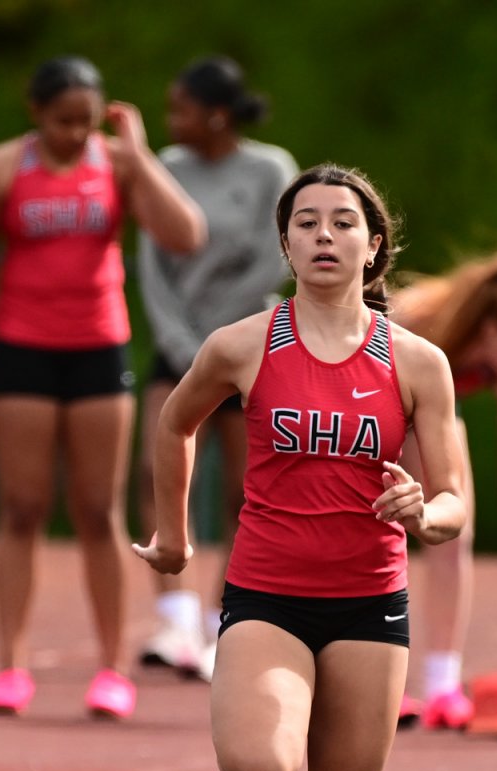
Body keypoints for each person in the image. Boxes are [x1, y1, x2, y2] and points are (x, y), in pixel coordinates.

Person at [136, 164, 468, 771]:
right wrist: (173, 538)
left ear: (374, 244)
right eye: (307, 223)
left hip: (369, 605)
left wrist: (423, 511)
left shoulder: (417, 363)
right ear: (284, 245)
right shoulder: (243, 345)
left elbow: (457, 498)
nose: (325, 236)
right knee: (262, 770)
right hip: (269, 596)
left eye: (343, 222)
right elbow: (176, 422)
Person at [0, 56, 203, 719]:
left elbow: (186, 234)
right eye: (62, 121)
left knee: (99, 510)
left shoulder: (118, 165)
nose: (74, 134)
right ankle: (10, 664)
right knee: (22, 506)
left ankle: (112, 669)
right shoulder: (1, 171)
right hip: (22, 351)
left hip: (98, 350)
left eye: (86, 122)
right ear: (36, 113)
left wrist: (139, 154)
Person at [134, 56, 297, 682]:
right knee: (158, 468)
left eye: (181, 110)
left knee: (241, 487)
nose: (171, 121)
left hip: (245, 344)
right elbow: (152, 260)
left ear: (218, 116)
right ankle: (172, 614)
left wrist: (218, 337)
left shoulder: (269, 168)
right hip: (178, 345)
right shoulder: (168, 169)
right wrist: (179, 338)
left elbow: (271, 258)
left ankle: (222, 617)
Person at [388, 250, 497, 728]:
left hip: (432, 413)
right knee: (382, 535)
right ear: (490, 331)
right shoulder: (411, 319)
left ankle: (442, 683)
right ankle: (380, 680)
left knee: (451, 526)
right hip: (373, 408)